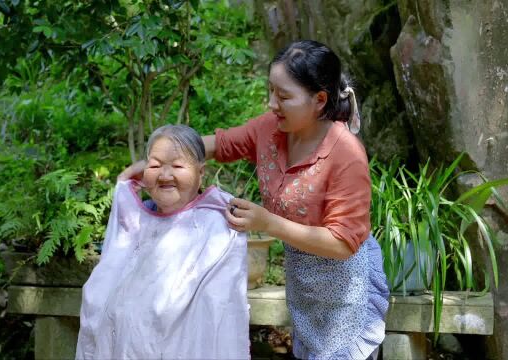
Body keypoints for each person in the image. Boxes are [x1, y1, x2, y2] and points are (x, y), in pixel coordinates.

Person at [119, 40, 390, 359]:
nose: (272, 103)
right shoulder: (271, 129)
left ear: (319, 100)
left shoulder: (346, 154)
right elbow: (219, 145)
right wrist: (157, 163)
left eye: (284, 96)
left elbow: (344, 243)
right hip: (305, 289)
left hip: (347, 292)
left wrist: (268, 223)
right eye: (271, 91)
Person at [76, 125, 249, 359]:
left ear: (201, 173)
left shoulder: (218, 226)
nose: (165, 175)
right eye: (155, 165)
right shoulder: (134, 221)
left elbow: (220, 309)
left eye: (177, 166)